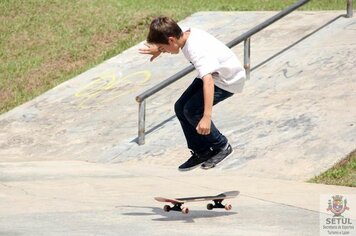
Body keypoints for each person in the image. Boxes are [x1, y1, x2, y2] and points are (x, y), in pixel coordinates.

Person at [139, 16, 245, 171]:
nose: (166, 52)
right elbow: (167, 31)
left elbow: (208, 81)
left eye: (164, 48)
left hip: (227, 81)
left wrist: (206, 117)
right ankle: (201, 151)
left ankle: (221, 146)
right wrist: (159, 48)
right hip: (216, 74)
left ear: (171, 40)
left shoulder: (196, 51)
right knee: (180, 106)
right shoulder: (183, 33)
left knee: (192, 110)